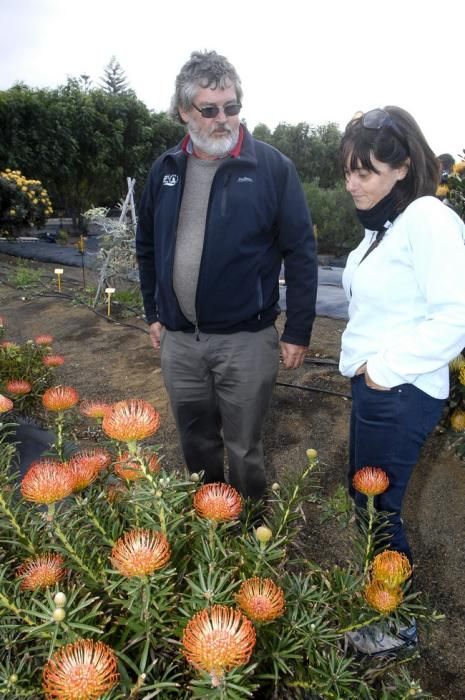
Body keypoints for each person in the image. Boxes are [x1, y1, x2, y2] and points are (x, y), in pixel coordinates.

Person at [136, 50, 317, 502]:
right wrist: (152, 312)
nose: (224, 119)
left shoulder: (272, 169)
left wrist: (298, 329)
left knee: (244, 448)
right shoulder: (165, 170)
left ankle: (250, 528)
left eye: (232, 107)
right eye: (209, 109)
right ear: (183, 111)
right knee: (196, 443)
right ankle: (210, 525)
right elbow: (147, 246)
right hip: (180, 342)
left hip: (246, 341)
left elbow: (301, 252)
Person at [339, 106, 465, 654]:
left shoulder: (425, 219)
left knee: (378, 510)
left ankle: (394, 625)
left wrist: (383, 371)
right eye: (347, 171)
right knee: (368, 504)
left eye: (364, 171)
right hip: (380, 390)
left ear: (402, 166)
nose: (351, 183)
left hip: (400, 390)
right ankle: (385, 610)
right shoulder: (386, 229)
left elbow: (456, 315)